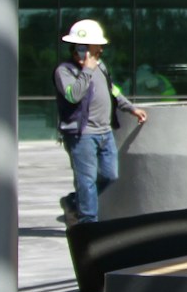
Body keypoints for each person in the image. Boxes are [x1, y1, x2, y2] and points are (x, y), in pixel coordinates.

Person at [55, 19, 149, 225]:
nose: (99, 53)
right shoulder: (65, 71)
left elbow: (112, 91)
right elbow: (73, 95)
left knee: (110, 174)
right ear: (80, 49)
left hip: (104, 132)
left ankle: (74, 201)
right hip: (81, 135)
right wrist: (87, 70)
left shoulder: (101, 68)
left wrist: (131, 108)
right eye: (96, 49)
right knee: (86, 181)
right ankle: (89, 223)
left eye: (99, 50)